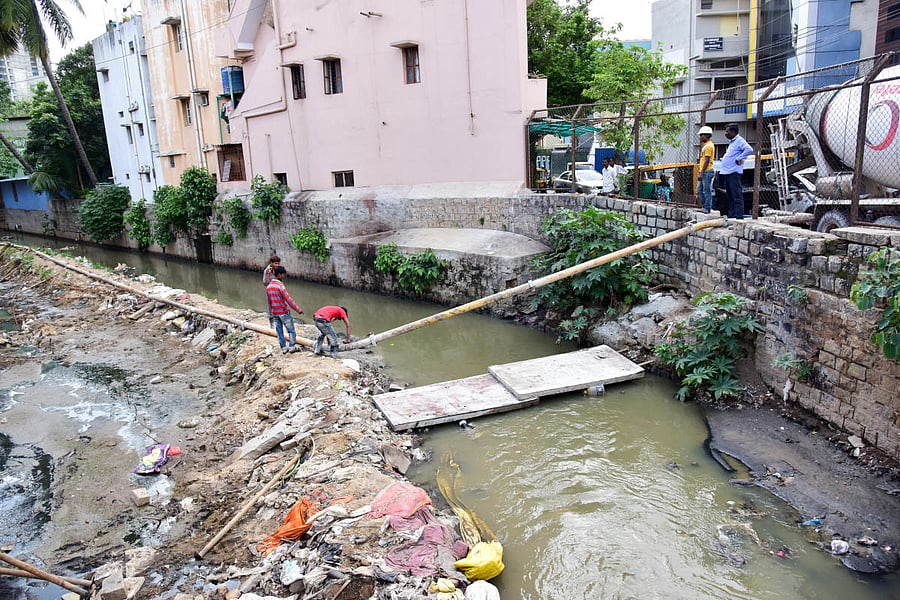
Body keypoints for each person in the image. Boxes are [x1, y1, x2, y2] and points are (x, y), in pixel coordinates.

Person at [719, 123, 754, 219]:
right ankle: (732, 215)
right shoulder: (732, 142)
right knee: (729, 196)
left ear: (733, 132)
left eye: (728, 131)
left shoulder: (739, 141)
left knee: (737, 195)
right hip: (727, 172)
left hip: (734, 172)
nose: (726, 134)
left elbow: (749, 149)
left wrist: (740, 158)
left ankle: (739, 216)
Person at [266, 266, 303, 354]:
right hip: (283, 312)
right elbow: (288, 300)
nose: (284, 277)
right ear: (279, 275)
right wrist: (298, 310)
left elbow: (269, 302)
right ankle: (292, 347)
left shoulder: (269, 287)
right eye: (283, 275)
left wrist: (270, 313)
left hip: (275, 313)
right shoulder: (280, 286)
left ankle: (283, 348)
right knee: (291, 330)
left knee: (279, 331)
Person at [696, 125, 716, 213]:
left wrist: (702, 172)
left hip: (707, 172)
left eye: (701, 135)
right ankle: (705, 206)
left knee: (706, 190)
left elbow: (706, 160)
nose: (700, 137)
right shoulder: (706, 146)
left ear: (706, 135)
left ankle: (707, 208)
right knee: (699, 190)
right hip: (704, 171)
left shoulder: (708, 146)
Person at [262, 255, 281, 328]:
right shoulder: (267, 270)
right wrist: (268, 274)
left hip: (278, 290)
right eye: (275, 263)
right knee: (271, 307)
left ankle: (278, 323)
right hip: (270, 292)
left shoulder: (278, 270)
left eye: (278, 263)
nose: (277, 265)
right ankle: (271, 324)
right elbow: (265, 283)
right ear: (272, 263)